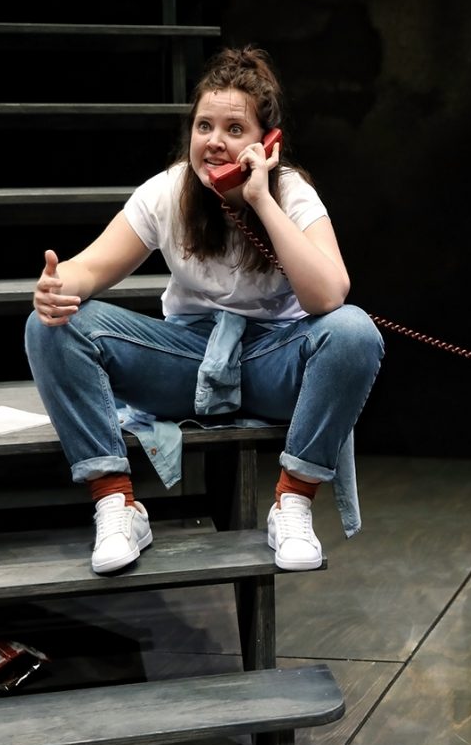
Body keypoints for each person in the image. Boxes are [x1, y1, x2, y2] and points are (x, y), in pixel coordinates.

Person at [25, 45, 384, 574]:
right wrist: (57, 286)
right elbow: (92, 269)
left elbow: (328, 296)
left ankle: (292, 503)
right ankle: (117, 503)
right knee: (51, 326)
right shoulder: (168, 190)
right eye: (204, 125)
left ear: (267, 142)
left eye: (234, 129)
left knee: (354, 332)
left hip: (271, 359)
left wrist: (261, 199)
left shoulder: (291, 193)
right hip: (185, 359)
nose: (214, 141)